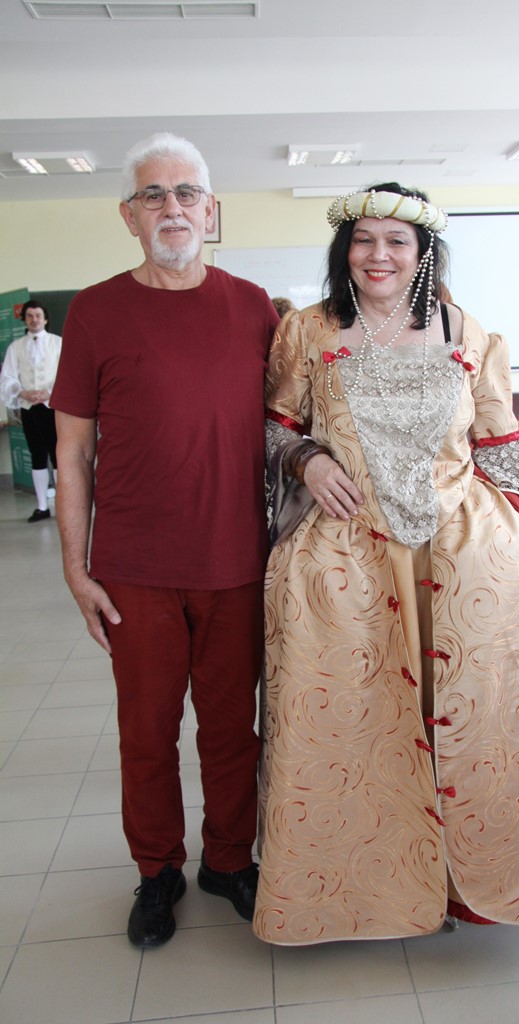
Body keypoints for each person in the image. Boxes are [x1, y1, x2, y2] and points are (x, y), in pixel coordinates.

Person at [255, 183, 519, 945]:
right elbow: (272, 427)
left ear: (423, 253)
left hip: (463, 553)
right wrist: (308, 458)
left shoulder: (466, 331)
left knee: (468, 715)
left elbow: (498, 442)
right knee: (360, 718)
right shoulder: (306, 330)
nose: (377, 255)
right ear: (344, 249)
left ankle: (462, 881)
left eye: (396, 241)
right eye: (363, 239)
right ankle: (369, 887)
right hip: (347, 554)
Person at [50, 132, 280, 948]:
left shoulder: (253, 306)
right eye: (153, 195)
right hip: (134, 571)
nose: (171, 208)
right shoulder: (95, 311)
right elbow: (71, 452)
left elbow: (289, 427)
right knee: (146, 735)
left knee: (230, 731)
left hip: (236, 563)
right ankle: (156, 872)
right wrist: (75, 569)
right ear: (128, 215)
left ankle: (229, 860)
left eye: (186, 193)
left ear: (211, 212)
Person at [0, 300, 61, 522]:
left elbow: (67, 374)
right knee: (37, 455)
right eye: (29, 316)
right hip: (29, 408)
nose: (34, 320)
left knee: (58, 456)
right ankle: (42, 506)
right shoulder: (15, 347)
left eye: (38, 316)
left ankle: (62, 506)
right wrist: (22, 392)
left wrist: (48, 392)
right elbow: (7, 376)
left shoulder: (58, 343)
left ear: (45, 319)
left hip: (53, 407)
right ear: (24, 319)